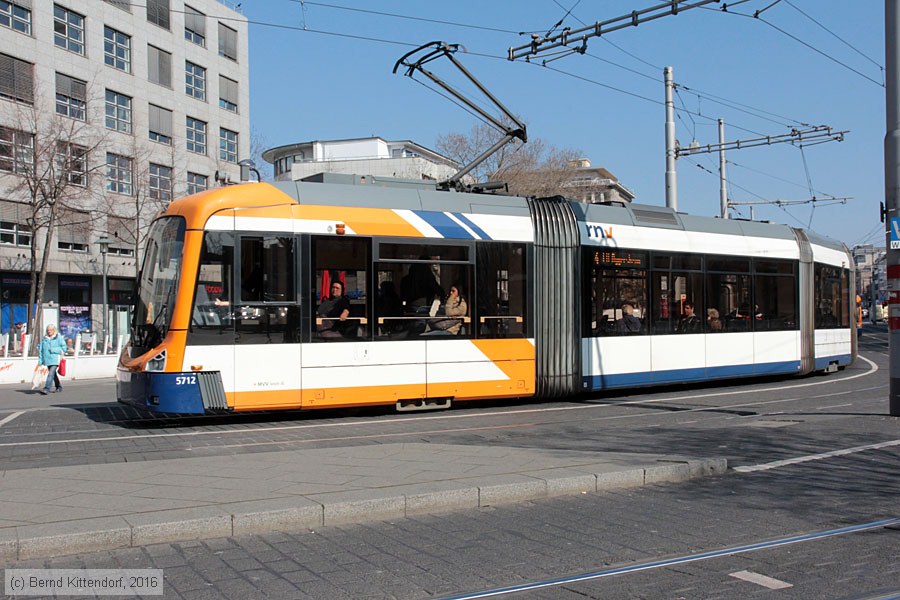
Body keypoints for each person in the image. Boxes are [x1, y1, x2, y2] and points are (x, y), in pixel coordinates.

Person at [38, 324, 66, 395]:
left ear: (54, 330)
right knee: (53, 374)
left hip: (55, 359)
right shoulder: (44, 339)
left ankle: (46, 388)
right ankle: (58, 386)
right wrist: (40, 360)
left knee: (50, 374)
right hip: (47, 360)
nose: (49, 331)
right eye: (48, 330)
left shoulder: (58, 338)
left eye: (50, 330)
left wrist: (53, 350)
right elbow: (41, 350)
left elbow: (64, 348)